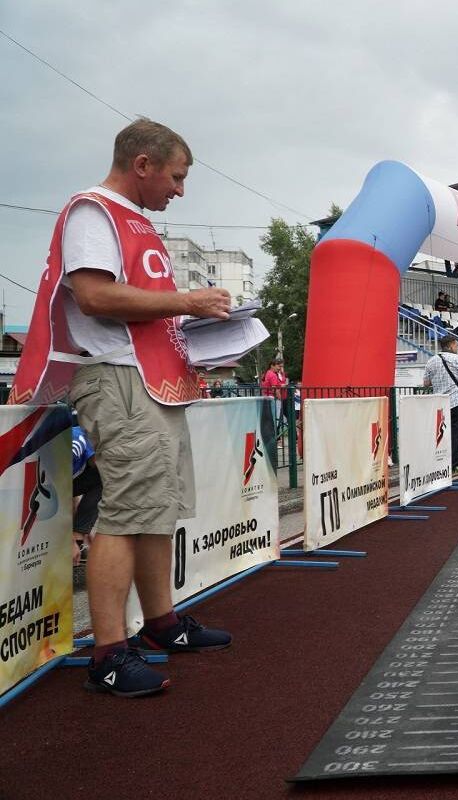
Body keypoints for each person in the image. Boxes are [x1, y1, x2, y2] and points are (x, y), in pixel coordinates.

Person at [8, 118, 233, 698]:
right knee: (125, 512)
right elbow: (94, 295)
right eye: (176, 177)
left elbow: (138, 305)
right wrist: (186, 301)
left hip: (151, 379)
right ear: (143, 165)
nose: (179, 191)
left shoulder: (132, 220)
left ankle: (161, 624)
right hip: (117, 379)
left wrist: (189, 325)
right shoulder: (94, 211)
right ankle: (108, 653)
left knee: (154, 508)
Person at [423, 333, 458, 472]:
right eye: (456, 345)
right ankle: (453, 465)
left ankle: (439, 463)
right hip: (456, 401)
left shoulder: (431, 361)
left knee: (441, 433)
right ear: (450, 345)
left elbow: (426, 383)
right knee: (457, 433)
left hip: (439, 404)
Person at [71, 423, 102, 566]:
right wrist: (72, 540)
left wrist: (82, 526)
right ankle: (74, 545)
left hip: (62, 477)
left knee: (103, 478)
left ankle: (78, 540)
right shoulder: (75, 447)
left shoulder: (86, 447)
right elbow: (57, 489)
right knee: (104, 476)